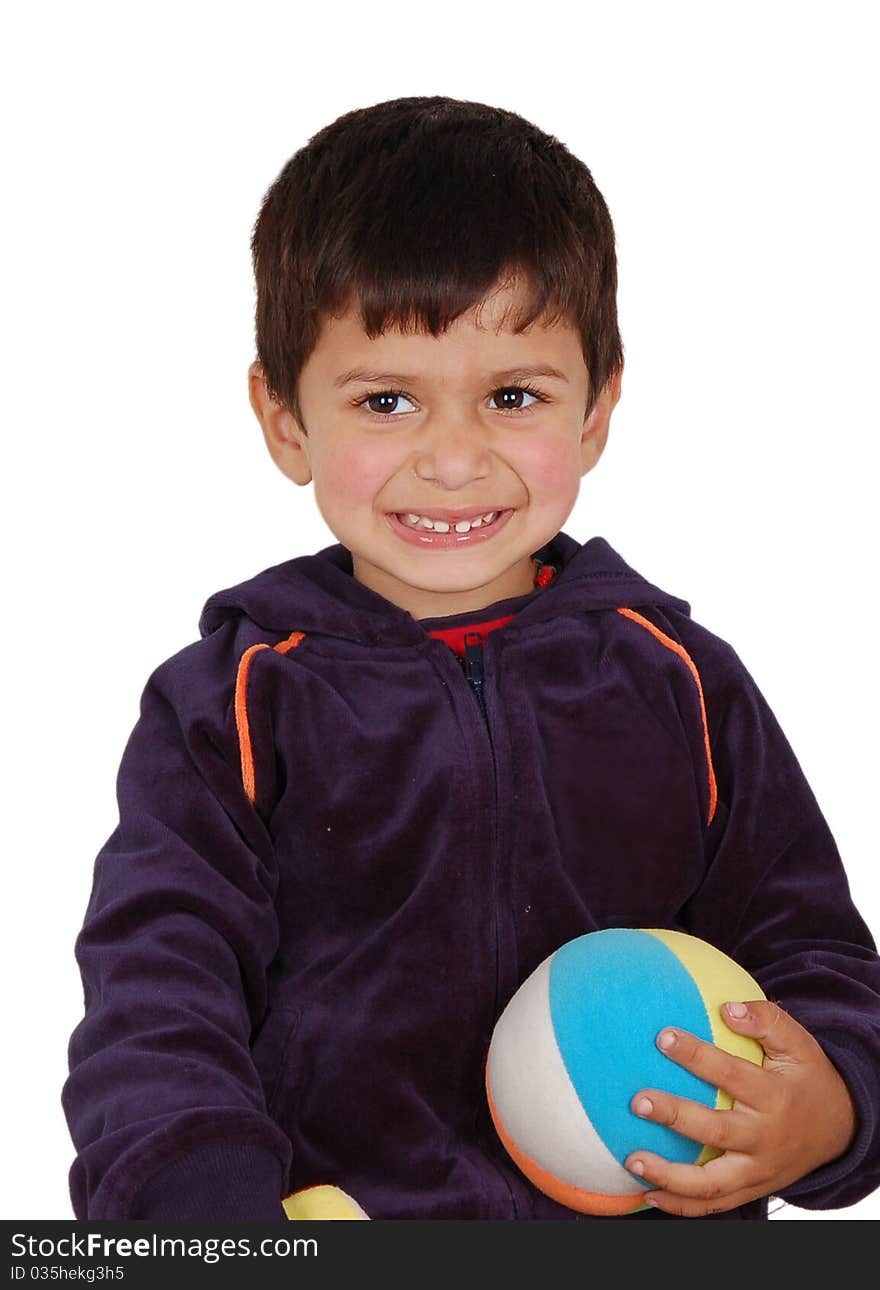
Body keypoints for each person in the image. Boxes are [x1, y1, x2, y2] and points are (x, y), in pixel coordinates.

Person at [62, 95, 880, 1221]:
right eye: (387, 400)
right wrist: (200, 1219)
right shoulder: (234, 704)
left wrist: (831, 1103)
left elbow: (813, 956)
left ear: (596, 410)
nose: (453, 460)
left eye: (512, 397)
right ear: (285, 420)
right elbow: (156, 999)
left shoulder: (678, 680)